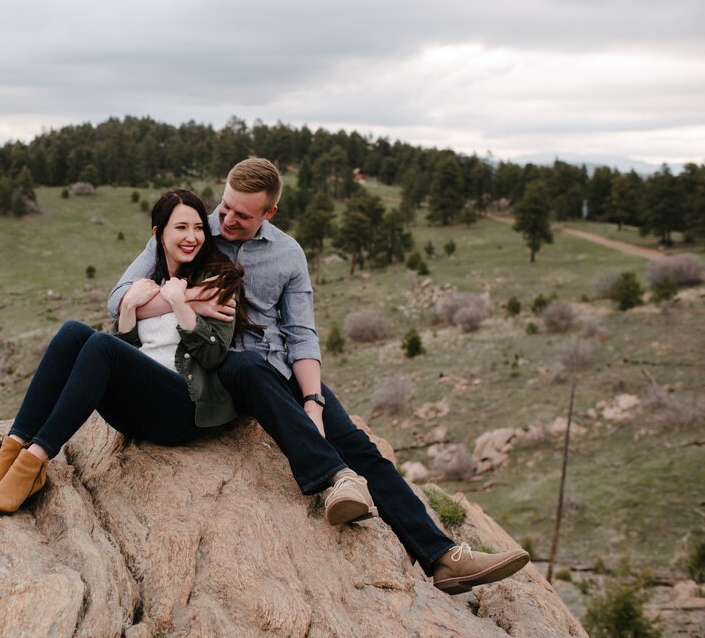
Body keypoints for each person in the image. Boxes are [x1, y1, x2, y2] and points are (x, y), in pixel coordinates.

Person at [108, 158, 530, 594]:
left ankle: (442, 558)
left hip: (275, 367)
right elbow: (118, 298)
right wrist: (192, 299)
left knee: (355, 444)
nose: (227, 220)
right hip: (218, 365)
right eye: (226, 206)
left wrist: (312, 402)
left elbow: (301, 334)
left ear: (269, 214)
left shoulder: (288, 253)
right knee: (250, 367)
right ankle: (330, 480)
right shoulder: (193, 229)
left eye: (243, 215)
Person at [0, 188, 254, 515]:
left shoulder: (219, 281)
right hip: (137, 413)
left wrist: (179, 302)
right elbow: (128, 351)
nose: (192, 237)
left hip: (180, 411)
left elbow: (214, 356)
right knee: (74, 331)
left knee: (102, 343)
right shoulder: (148, 279)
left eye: (199, 227)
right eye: (181, 227)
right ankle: (11, 453)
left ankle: (33, 464)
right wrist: (129, 307)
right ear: (159, 234)